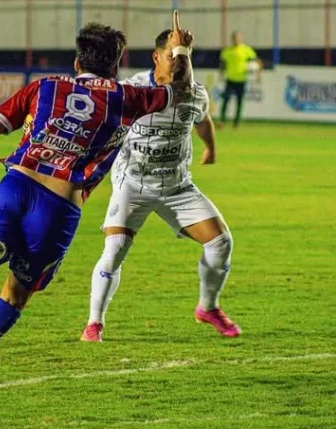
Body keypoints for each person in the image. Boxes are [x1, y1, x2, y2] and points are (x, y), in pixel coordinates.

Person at [0, 13, 196, 392]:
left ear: (76, 63)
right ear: (117, 66)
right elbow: (179, 88)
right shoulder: (127, 97)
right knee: (15, 296)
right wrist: (180, 49)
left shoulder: (44, 87)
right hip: (58, 206)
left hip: (16, 185)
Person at [83, 28, 235, 343]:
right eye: (172, 55)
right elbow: (102, 123)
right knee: (114, 250)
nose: (179, 62)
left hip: (177, 186)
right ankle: (94, 323)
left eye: (183, 57)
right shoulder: (131, 90)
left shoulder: (195, 93)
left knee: (221, 243)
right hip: (132, 185)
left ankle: (208, 307)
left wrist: (210, 148)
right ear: (156, 57)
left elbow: (202, 120)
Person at [218, 31, 262, 127]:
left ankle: (236, 122)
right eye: (234, 38)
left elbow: (257, 61)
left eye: (238, 38)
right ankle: (222, 120)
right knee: (226, 100)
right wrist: (221, 74)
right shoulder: (227, 51)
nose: (236, 40)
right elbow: (223, 64)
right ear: (232, 39)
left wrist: (258, 75)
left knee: (239, 102)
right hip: (230, 79)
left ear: (241, 39)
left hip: (242, 80)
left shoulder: (246, 50)